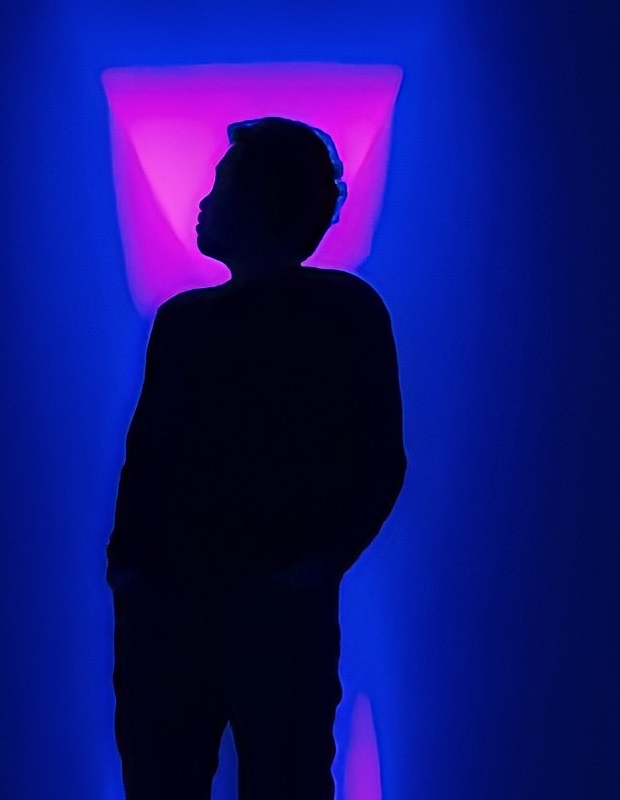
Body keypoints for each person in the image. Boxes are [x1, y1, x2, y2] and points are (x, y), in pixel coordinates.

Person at [106, 116, 407, 799]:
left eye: (221, 185)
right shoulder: (333, 311)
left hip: (215, 608)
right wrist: (130, 570)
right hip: (207, 608)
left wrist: (315, 566)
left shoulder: (194, 321)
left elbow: (149, 458)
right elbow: (148, 458)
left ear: (260, 199)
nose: (203, 202)